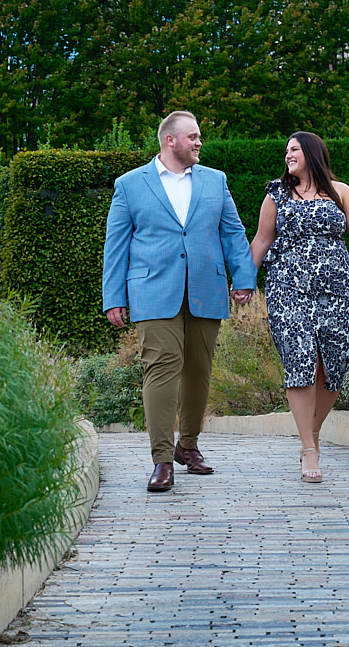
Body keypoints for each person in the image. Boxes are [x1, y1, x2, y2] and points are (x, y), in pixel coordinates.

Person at [102, 110, 256, 493]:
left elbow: (233, 232)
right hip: (153, 290)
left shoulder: (215, 180)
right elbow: (116, 246)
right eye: (193, 136)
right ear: (170, 140)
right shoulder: (130, 184)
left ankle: (188, 446)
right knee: (161, 368)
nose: (199, 142)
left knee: (199, 372)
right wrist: (113, 297)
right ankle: (161, 459)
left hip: (207, 287)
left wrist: (245, 278)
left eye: (199, 136)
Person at [251, 131, 349, 482]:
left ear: (312, 153)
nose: (288, 155)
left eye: (294, 149)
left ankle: (311, 433)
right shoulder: (276, 194)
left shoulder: (340, 192)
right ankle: (309, 449)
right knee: (299, 359)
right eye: (285, 150)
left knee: (334, 363)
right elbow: (263, 239)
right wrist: (243, 280)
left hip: (335, 288)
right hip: (287, 287)